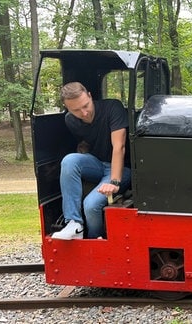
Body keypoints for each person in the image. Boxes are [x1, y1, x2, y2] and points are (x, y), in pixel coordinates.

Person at [51, 82, 131, 240]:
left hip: (122, 169)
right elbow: (86, 140)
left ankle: (95, 239)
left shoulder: (113, 108)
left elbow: (119, 147)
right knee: (69, 160)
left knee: (91, 205)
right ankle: (74, 223)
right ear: (68, 108)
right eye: (76, 110)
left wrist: (114, 182)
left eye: (86, 106)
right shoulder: (71, 120)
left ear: (89, 95)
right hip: (97, 163)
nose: (84, 113)